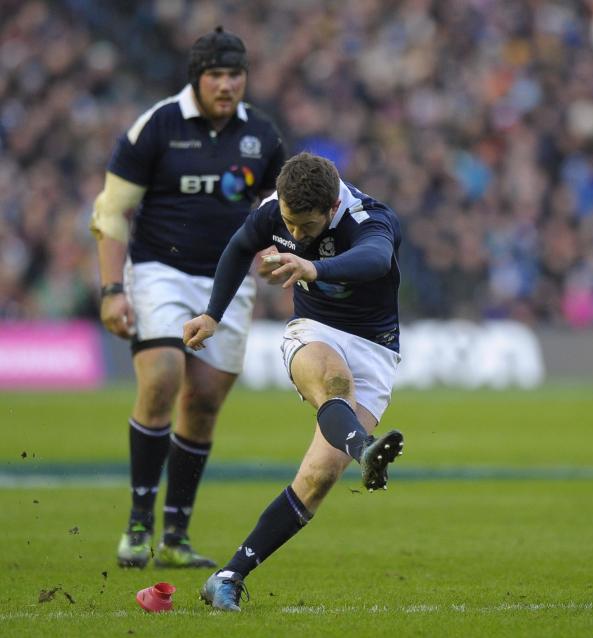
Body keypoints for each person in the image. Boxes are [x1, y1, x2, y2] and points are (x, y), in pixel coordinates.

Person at [89, 26, 287, 569]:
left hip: (227, 282)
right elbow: (110, 211)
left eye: (234, 75)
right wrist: (111, 291)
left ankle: (175, 536)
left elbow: (281, 217)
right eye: (215, 75)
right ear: (196, 79)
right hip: (160, 271)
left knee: (201, 404)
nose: (226, 85)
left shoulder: (264, 137)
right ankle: (137, 524)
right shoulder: (157, 126)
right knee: (162, 379)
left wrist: (278, 255)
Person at [183, 151, 405, 611]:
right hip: (315, 332)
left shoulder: (369, 217)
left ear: (330, 209)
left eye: (307, 227)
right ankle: (364, 449)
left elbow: (376, 258)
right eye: (290, 224)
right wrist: (212, 313)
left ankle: (227, 576)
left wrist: (314, 267)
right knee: (332, 381)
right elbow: (241, 245)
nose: (297, 235)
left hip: (376, 348)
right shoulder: (276, 208)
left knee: (319, 476)